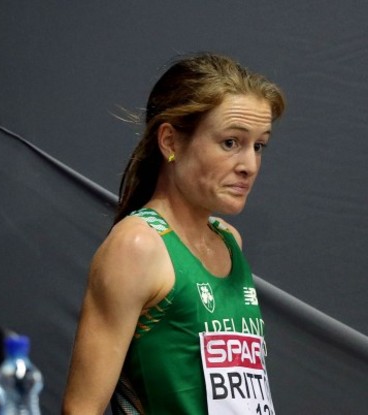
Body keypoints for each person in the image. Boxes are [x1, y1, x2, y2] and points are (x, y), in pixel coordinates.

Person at [62, 52, 285, 414]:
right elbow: (80, 410)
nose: (249, 166)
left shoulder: (229, 240)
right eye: (231, 142)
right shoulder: (137, 246)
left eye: (259, 146)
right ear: (170, 142)